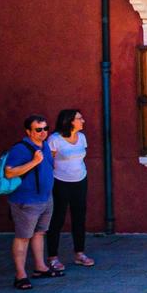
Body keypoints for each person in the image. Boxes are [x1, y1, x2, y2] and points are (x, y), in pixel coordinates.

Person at [6, 115, 60, 290]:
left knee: (39, 233)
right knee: (23, 237)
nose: (43, 132)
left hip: (45, 198)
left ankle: (40, 267)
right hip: (26, 201)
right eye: (38, 129)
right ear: (28, 131)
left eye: (45, 129)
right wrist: (34, 162)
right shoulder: (20, 149)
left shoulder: (44, 145)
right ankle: (20, 275)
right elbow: (10, 173)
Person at [45, 109, 92, 270]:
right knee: (57, 219)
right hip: (60, 182)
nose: (83, 121)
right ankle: (52, 257)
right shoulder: (55, 139)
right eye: (80, 118)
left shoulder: (82, 138)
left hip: (80, 180)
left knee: (79, 217)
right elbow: (48, 162)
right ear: (70, 121)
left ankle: (80, 253)